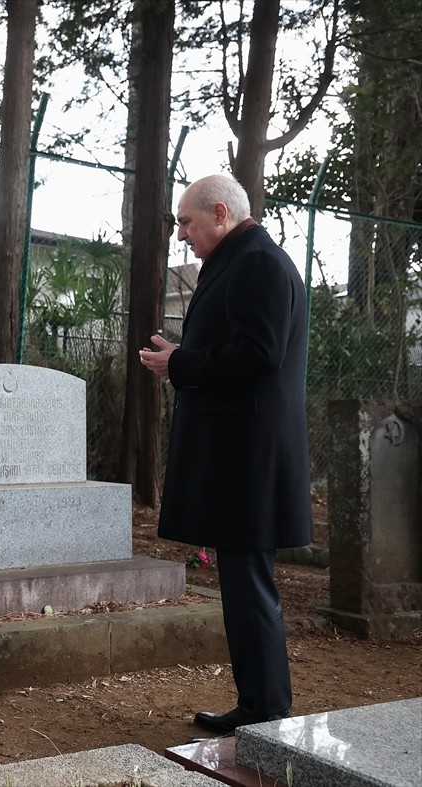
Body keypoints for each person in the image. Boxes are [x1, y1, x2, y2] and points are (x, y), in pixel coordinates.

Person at [139, 173, 313, 735]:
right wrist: (186, 355)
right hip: (242, 453)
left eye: (186, 222)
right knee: (243, 583)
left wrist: (182, 364)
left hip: (248, 458)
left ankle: (265, 711)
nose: (181, 233)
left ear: (219, 212)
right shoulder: (244, 257)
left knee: (249, 586)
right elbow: (243, 348)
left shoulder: (258, 261)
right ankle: (261, 705)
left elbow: (259, 352)